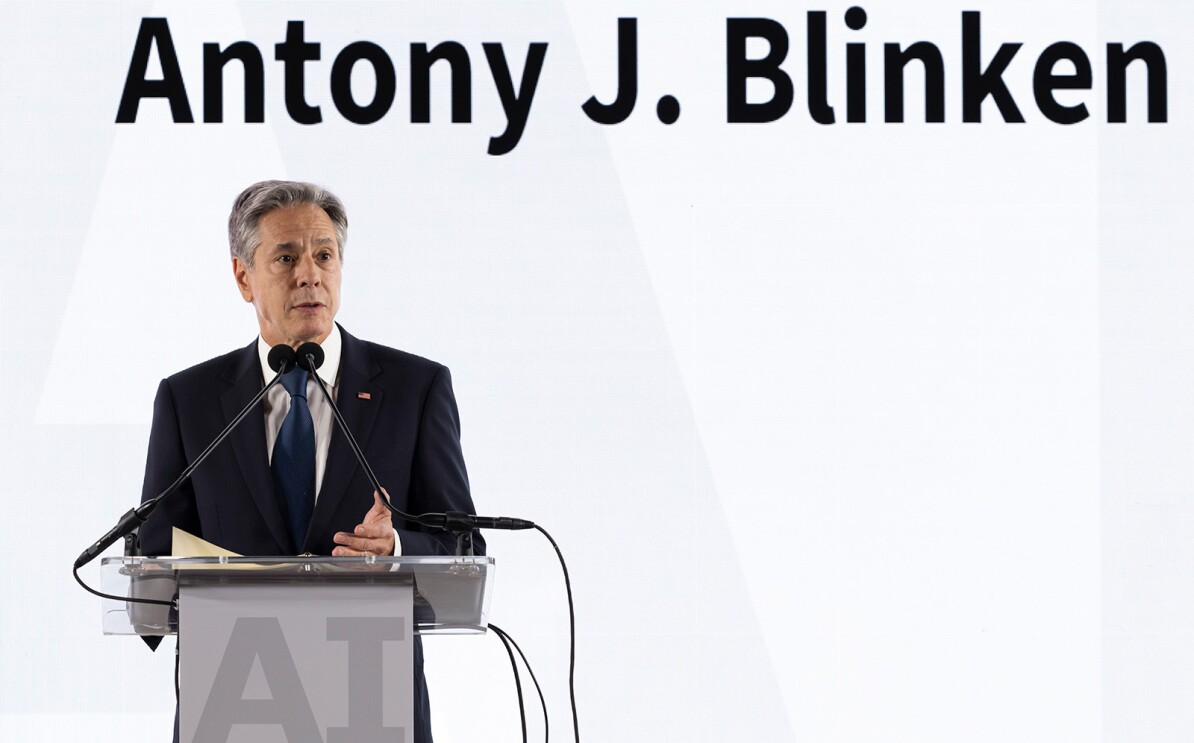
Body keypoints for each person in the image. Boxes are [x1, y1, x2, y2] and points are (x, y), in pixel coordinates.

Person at [139, 180, 481, 742]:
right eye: (286, 257)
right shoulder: (190, 400)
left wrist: (395, 549)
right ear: (243, 277)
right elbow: (152, 558)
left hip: (372, 704)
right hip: (232, 701)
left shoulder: (415, 389)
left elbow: (465, 548)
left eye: (324, 255)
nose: (309, 274)